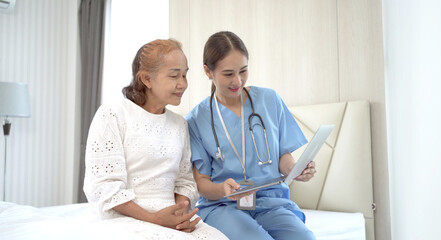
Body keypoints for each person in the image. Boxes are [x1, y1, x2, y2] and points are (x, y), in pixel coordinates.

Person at [83, 39, 228, 240]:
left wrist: (179, 213)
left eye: (185, 74)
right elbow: (105, 187)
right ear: (146, 79)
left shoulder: (179, 124)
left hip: (169, 218)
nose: (183, 84)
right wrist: (154, 219)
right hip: (124, 219)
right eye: (174, 75)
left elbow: (184, 180)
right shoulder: (114, 114)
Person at [186, 31, 317, 240]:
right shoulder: (196, 119)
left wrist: (295, 170)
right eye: (228, 74)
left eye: (243, 71)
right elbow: (202, 182)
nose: (237, 80)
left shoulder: (269, 100)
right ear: (208, 72)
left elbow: (283, 155)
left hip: (271, 201)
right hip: (223, 206)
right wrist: (223, 190)